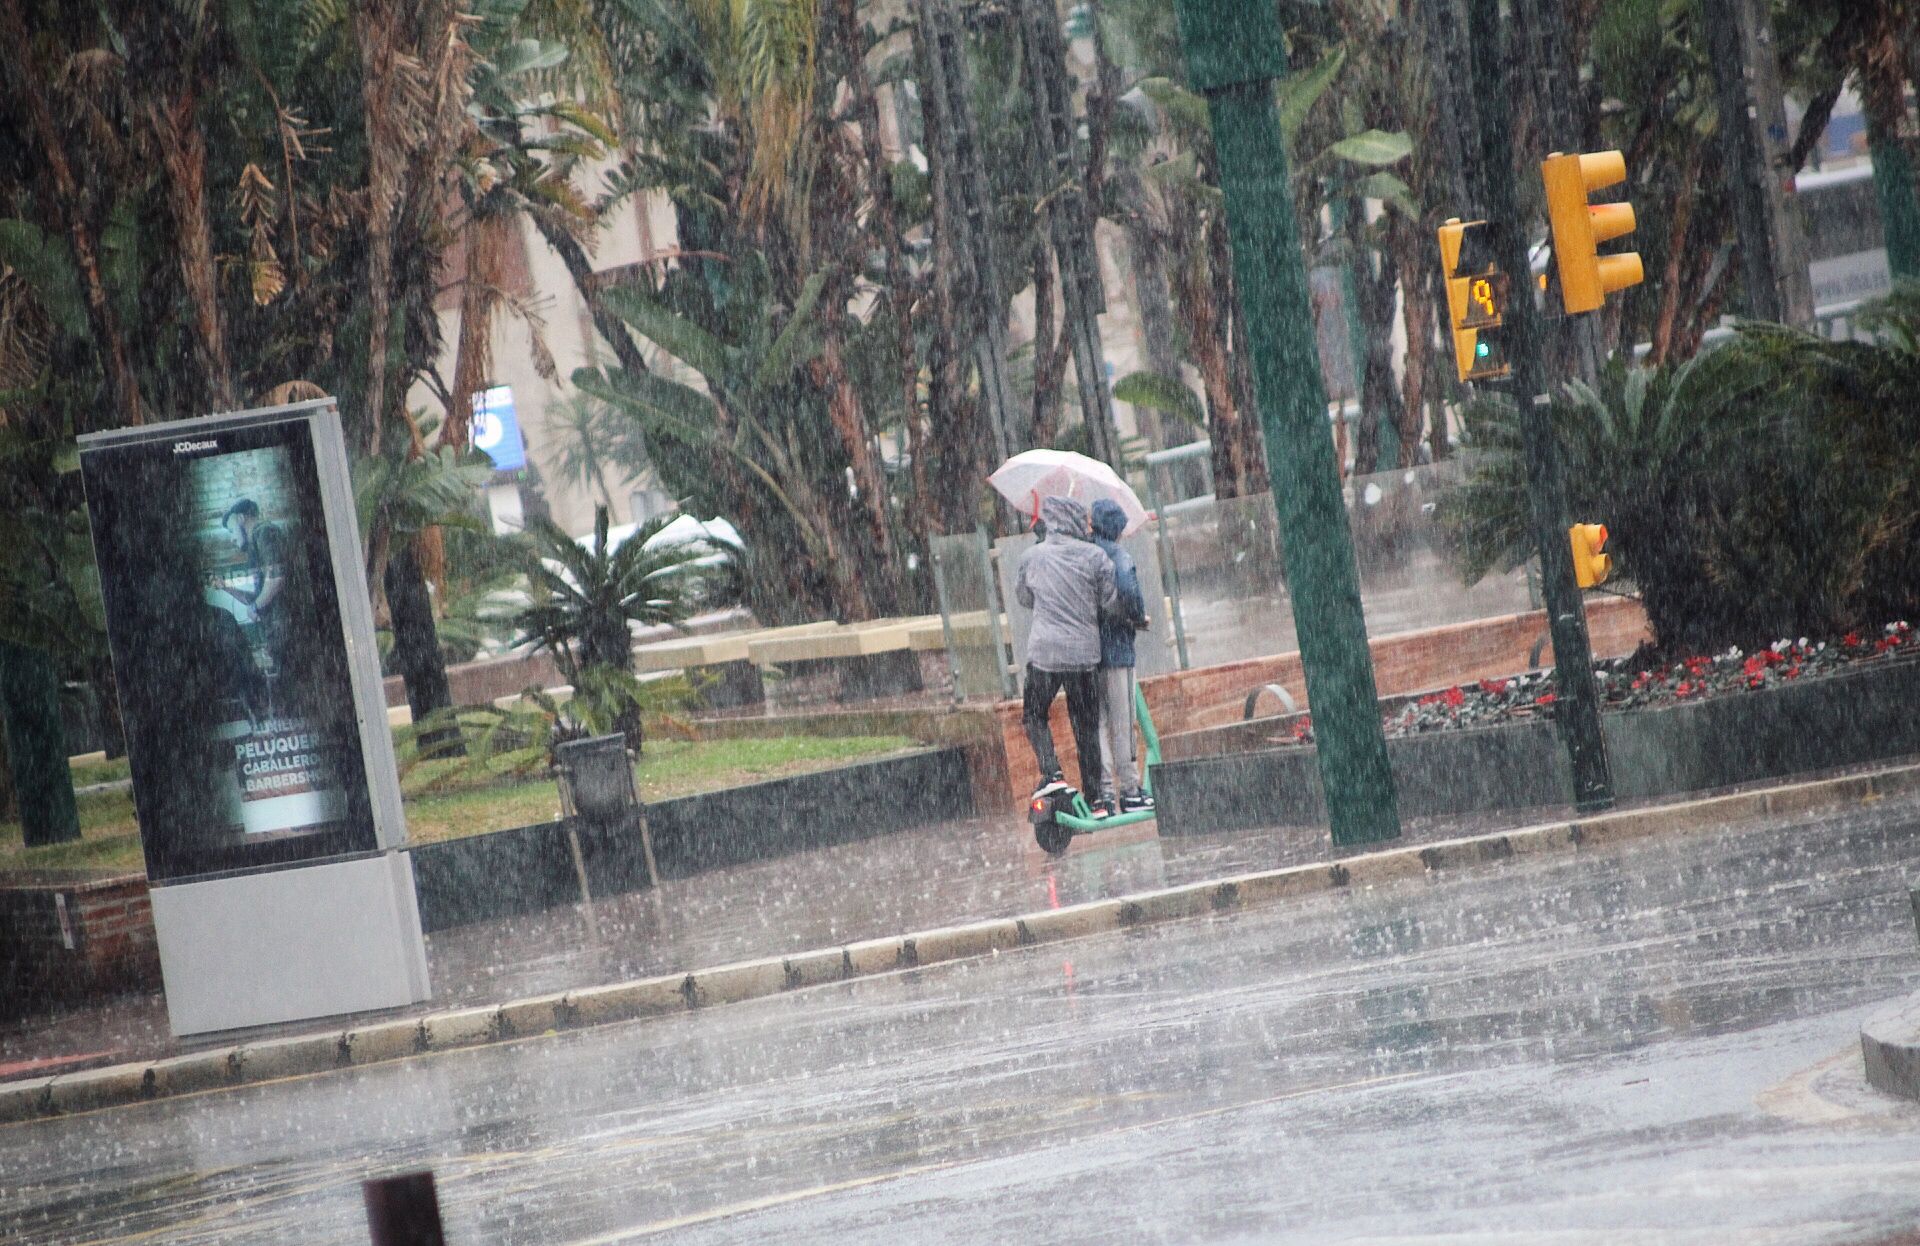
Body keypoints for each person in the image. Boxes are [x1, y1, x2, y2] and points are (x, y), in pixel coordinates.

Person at [1015, 495, 1117, 808]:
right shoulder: (1097, 557)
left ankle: (1053, 772)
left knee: (1034, 715)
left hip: (1045, 654)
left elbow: (1024, 598)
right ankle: (1097, 799)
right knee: (1086, 725)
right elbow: (1108, 602)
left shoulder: (1031, 557)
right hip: (1084, 656)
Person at [1089, 499, 1154, 817]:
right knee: (1122, 721)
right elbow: (1128, 591)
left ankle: (1103, 792)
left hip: (1088, 652)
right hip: (1116, 648)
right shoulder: (1117, 555)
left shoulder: (1084, 554)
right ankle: (1130, 791)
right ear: (1117, 528)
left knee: (1098, 722)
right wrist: (1139, 616)